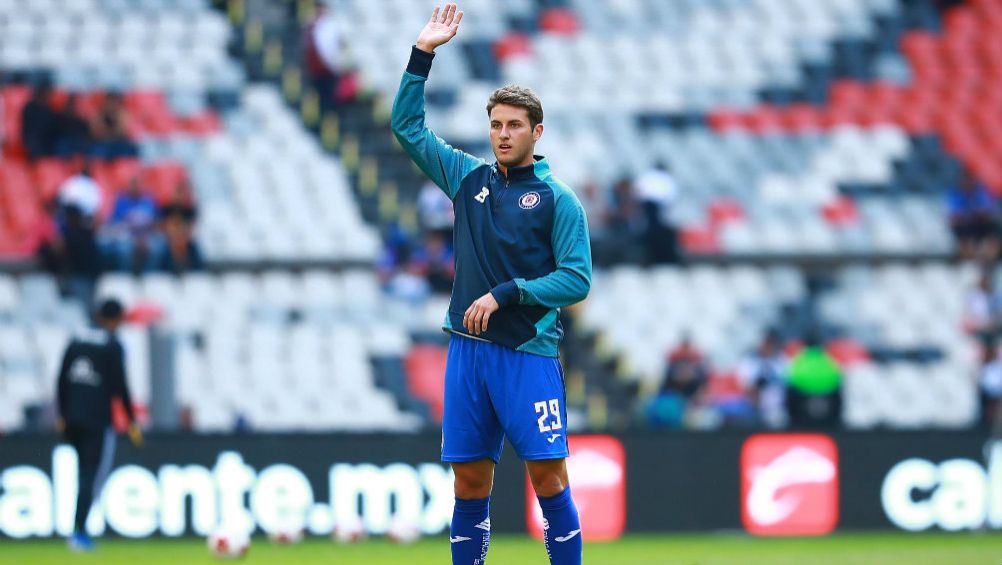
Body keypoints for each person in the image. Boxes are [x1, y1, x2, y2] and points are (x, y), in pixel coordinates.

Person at [390, 5, 591, 564]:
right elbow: (407, 128)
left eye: (514, 126)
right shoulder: (467, 179)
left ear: (536, 131)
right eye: (496, 125)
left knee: (548, 478)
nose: (503, 135)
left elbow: (577, 279)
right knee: (470, 482)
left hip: (526, 353)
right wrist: (422, 55)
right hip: (468, 353)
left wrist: (510, 292)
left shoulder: (559, 200)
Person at [55, 299, 143, 551]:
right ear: (116, 320)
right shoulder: (112, 345)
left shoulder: (76, 339)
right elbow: (120, 385)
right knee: (92, 476)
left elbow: (61, 377)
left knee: (81, 473)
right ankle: (79, 532)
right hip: (97, 420)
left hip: (72, 418)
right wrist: (131, 421)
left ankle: (77, 530)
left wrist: (62, 413)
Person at [785, 332, 842, 428]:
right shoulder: (829, 360)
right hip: (827, 405)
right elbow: (837, 381)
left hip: (802, 405)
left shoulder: (798, 361)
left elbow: (791, 381)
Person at [105, 176, 159, 272]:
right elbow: (114, 223)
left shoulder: (148, 201)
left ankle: (149, 278)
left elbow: (156, 222)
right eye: (132, 185)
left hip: (146, 236)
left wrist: (143, 237)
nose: (135, 187)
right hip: (127, 236)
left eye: (137, 184)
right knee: (123, 249)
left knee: (156, 248)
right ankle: (125, 277)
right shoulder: (121, 201)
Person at [947, 170, 999, 261]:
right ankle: (968, 253)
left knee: (992, 227)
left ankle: (989, 253)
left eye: (970, 180)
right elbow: (955, 215)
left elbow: (986, 211)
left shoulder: (980, 192)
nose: (968, 183)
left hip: (979, 225)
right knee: (961, 228)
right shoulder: (956, 194)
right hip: (965, 226)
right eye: (965, 180)